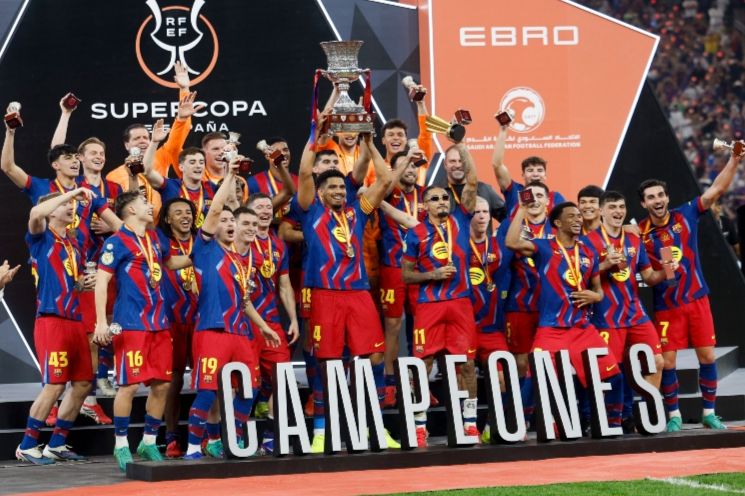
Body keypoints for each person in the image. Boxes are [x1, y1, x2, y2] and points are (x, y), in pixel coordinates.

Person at [296, 118, 399, 452]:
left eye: (342, 187)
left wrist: (369, 143)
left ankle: (374, 427)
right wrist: (315, 134)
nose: (339, 191)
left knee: (374, 357)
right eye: (333, 188)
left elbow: (385, 179)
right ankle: (321, 432)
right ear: (321, 192)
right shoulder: (310, 211)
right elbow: (304, 170)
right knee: (328, 365)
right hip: (325, 295)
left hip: (358, 294)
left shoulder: (358, 211)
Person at [637, 146, 742, 431]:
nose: (657, 200)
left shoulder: (686, 214)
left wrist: (734, 160)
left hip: (697, 300)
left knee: (707, 357)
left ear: (667, 198)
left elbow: (716, 190)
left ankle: (709, 413)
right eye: (651, 197)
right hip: (667, 307)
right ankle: (674, 416)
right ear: (644, 203)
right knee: (668, 363)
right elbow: (645, 273)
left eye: (660, 195)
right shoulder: (639, 233)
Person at [182, 159, 280, 460]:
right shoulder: (205, 249)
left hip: (241, 333)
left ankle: (234, 440)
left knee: (250, 388)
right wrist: (230, 176)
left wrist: (263, 326)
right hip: (212, 331)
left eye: (230, 221)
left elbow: (244, 301)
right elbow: (213, 211)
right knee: (207, 390)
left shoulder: (240, 261)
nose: (226, 224)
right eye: (224, 220)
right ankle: (193, 446)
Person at [92, 190, 189, 472]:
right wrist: (101, 322)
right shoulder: (116, 242)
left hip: (159, 323)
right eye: (144, 202)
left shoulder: (155, 238)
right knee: (130, 385)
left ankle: (148, 441)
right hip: (131, 324)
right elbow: (101, 282)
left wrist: (200, 254)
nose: (150, 206)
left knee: (163, 384)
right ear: (131, 210)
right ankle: (121, 444)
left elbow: (170, 263)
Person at [506, 201, 624, 430]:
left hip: (582, 329)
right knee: (534, 376)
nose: (578, 219)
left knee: (614, 375)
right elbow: (511, 242)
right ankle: (517, 425)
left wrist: (595, 296)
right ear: (558, 223)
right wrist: (521, 209)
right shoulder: (544, 247)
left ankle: (613, 424)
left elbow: (598, 290)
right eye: (572, 216)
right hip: (551, 329)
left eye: (579, 216)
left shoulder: (588, 251)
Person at [402, 143, 479, 447]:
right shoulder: (415, 234)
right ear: (425, 206)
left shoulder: (461, 221)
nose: (441, 202)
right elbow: (406, 275)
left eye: (445, 197)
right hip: (429, 304)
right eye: (434, 199)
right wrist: (431, 276)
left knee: (468, 364)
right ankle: (420, 426)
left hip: (460, 303)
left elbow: (471, 181)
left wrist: (460, 143)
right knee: (424, 364)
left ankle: (470, 423)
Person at [16, 188, 96, 464]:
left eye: (72, 204)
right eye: (64, 205)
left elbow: (70, 282)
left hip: (75, 321)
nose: (70, 207)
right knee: (55, 385)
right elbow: (35, 212)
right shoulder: (40, 237)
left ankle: (57, 444)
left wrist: (82, 284)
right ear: (51, 211)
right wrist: (74, 192)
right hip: (51, 320)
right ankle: (27, 445)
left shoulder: (73, 244)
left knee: (83, 383)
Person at [584, 191, 674, 432]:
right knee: (610, 372)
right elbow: (579, 277)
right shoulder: (588, 242)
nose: (618, 211)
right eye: (612, 207)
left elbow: (649, 277)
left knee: (657, 361)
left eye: (621, 207)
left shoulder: (634, 240)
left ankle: (649, 417)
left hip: (635, 315)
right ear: (601, 211)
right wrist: (605, 265)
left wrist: (668, 270)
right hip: (606, 318)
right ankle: (610, 421)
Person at [106, 62, 199, 219]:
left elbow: (177, 138)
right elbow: (113, 208)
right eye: (137, 138)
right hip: (133, 227)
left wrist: (184, 91)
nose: (143, 141)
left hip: (162, 227)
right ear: (127, 145)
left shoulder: (161, 157)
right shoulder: (113, 176)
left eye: (145, 137)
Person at [378, 149, 427, 406]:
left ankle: (420, 383)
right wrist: (401, 164)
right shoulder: (388, 192)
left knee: (421, 324)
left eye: (413, 166)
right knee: (393, 325)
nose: (410, 170)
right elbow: (384, 187)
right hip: (393, 266)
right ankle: (389, 383)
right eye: (405, 165)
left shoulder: (426, 194)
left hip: (421, 268)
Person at [501, 181, 554, 421]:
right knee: (521, 362)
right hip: (520, 304)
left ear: (548, 200)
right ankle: (519, 415)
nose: (534, 200)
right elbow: (502, 261)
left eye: (539, 195)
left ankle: (543, 414)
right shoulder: (512, 225)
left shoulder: (558, 226)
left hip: (550, 308)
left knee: (547, 362)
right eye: (529, 196)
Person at [246, 193, 299, 423]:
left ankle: (271, 434)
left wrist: (293, 319)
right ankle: (236, 433)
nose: (266, 211)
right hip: (243, 323)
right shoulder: (238, 242)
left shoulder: (278, 244)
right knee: (244, 381)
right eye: (259, 207)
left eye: (269, 207)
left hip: (271, 321)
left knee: (283, 376)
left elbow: (284, 285)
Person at [156, 197, 198, 458]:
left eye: (188, 212)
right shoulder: (161, 242)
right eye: (178, 212)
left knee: (208, 378)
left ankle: (207, 435)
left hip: (201, 319)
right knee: (173, 379)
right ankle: (171, 437)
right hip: (171, 320)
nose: (185, 216)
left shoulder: (203, 241)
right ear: (167, 219)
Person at [470, 197, 512, 444]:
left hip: (491, 329)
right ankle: (466, 427)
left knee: (503, 378)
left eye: (486, 211)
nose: (482, 216)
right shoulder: (458, 246)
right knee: (463, 377)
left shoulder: (499, 246)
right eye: (476, 211)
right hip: (464, 328)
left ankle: (492, 426)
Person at [142, 120, 215, 229]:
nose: (198, 166)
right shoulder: (170, 185)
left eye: (201, 162)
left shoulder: (211, 187)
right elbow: (146, 171)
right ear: (181, 167)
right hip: (171, 238)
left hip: (202, 238)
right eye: (192, 162)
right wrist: (154, 142)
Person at [491, 122, 566, 219]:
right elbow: (497, 165)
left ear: (545, 175)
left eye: (540, 170)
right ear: (523, 175)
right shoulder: (514, 190)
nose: (535, 174)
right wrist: (503, 130)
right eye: (530, 170)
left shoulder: (556, 197)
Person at [439, 144, 504, 224]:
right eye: (452, 161)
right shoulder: (435, 192)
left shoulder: (485, 190)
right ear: (445, 164)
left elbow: (508, 218)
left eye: (461, 161)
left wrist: (499, 231)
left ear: (468, 164)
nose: (458, 165)